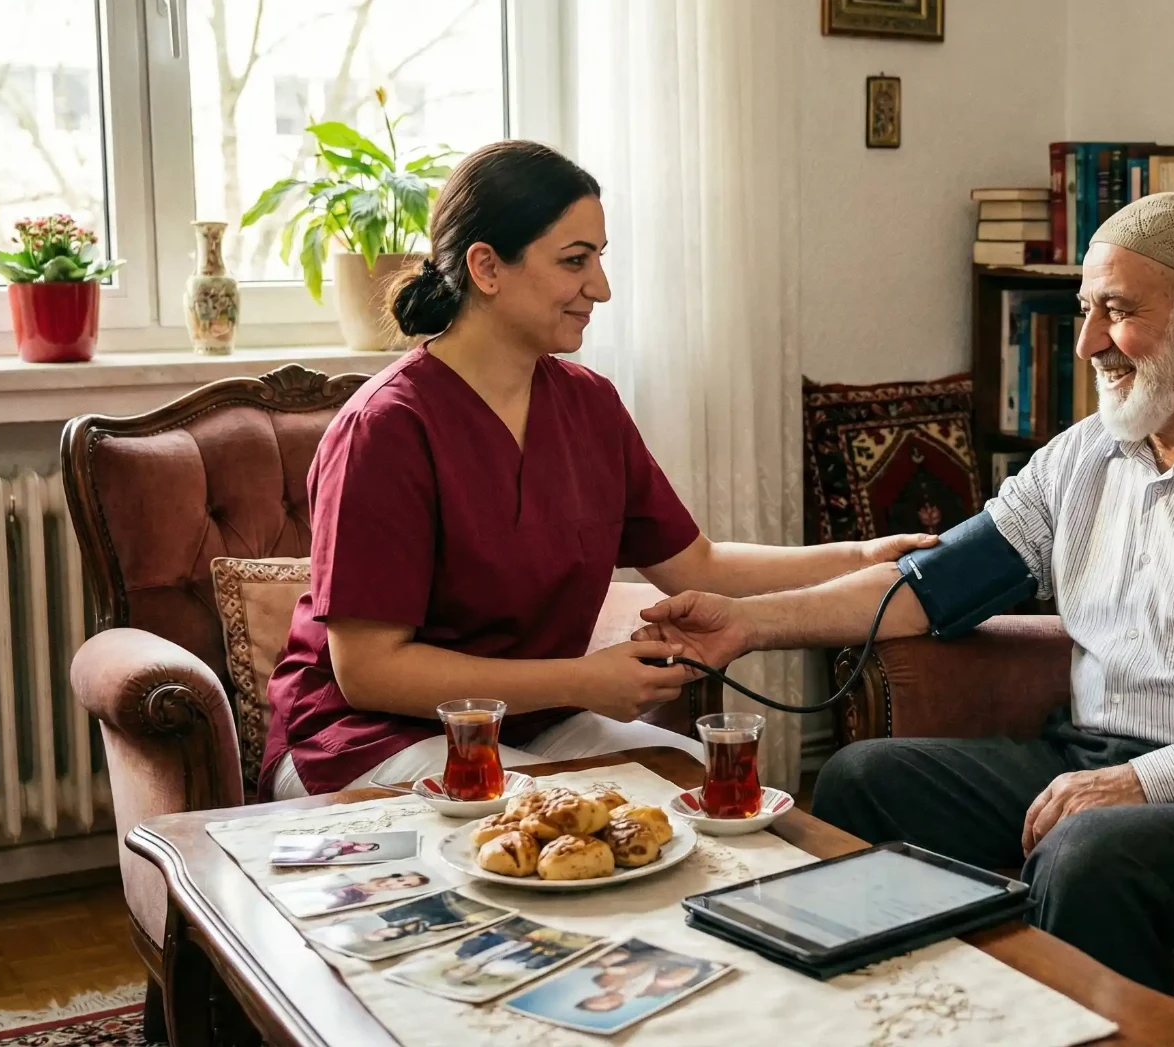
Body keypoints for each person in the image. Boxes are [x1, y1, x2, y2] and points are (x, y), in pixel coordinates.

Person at [636, 193, 1174, 992]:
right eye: (1084, 310)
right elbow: (927, 588)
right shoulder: (1084, 457)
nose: (1086, 343)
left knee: (1088, 857)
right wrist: (745, 623)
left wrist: (1142, 782)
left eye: (1115, 311)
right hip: (1087, 754)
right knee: (860, 779)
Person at [261, 141, 933, 799]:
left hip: (530, 724)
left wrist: (863, 555)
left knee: (701, 786)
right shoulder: (385, 429)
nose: (600, 288)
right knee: (533, 820)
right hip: (365, 737)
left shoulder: (590, 406)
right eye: (574, 261)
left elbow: (698, 565)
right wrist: (580, 680)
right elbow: (369, 672)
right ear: (487, 267)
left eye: (599, 259)